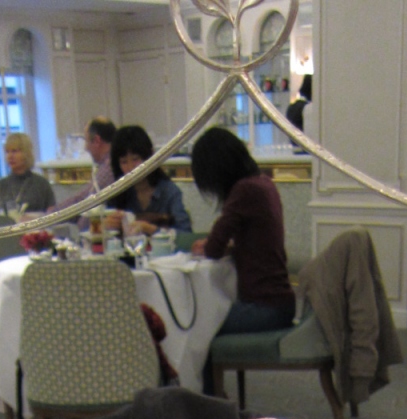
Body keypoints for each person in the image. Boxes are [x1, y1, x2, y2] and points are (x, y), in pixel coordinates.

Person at [190, 127, 296, 353]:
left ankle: (200, 378)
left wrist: (210, 245)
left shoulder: (244, 191)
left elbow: (214, 247)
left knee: (194, 323)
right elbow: (256, 242)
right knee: (199, 320)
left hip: (265, 308)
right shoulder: (263, 183)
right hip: (281, 303)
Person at [106, 125, 191, 234]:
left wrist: (151, 229)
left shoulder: (169, 192)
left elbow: (186, 234)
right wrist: (106, 226)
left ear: (150, 157)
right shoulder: (116, 193)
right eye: (124, 162)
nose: (130, 167)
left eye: (135, 159)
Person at [51, 118, 117, 216]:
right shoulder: (107, 165)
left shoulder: (108, 167)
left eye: (86, 141)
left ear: (97, 141)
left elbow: (83, 201)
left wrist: (51, 214)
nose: (86, 148)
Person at [0, 133, 54, 213]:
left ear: (26, 153)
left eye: (14, 151)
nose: (10, 156)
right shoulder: (0, 186)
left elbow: (52, 213)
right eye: (7, 152)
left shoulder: (41, 184)